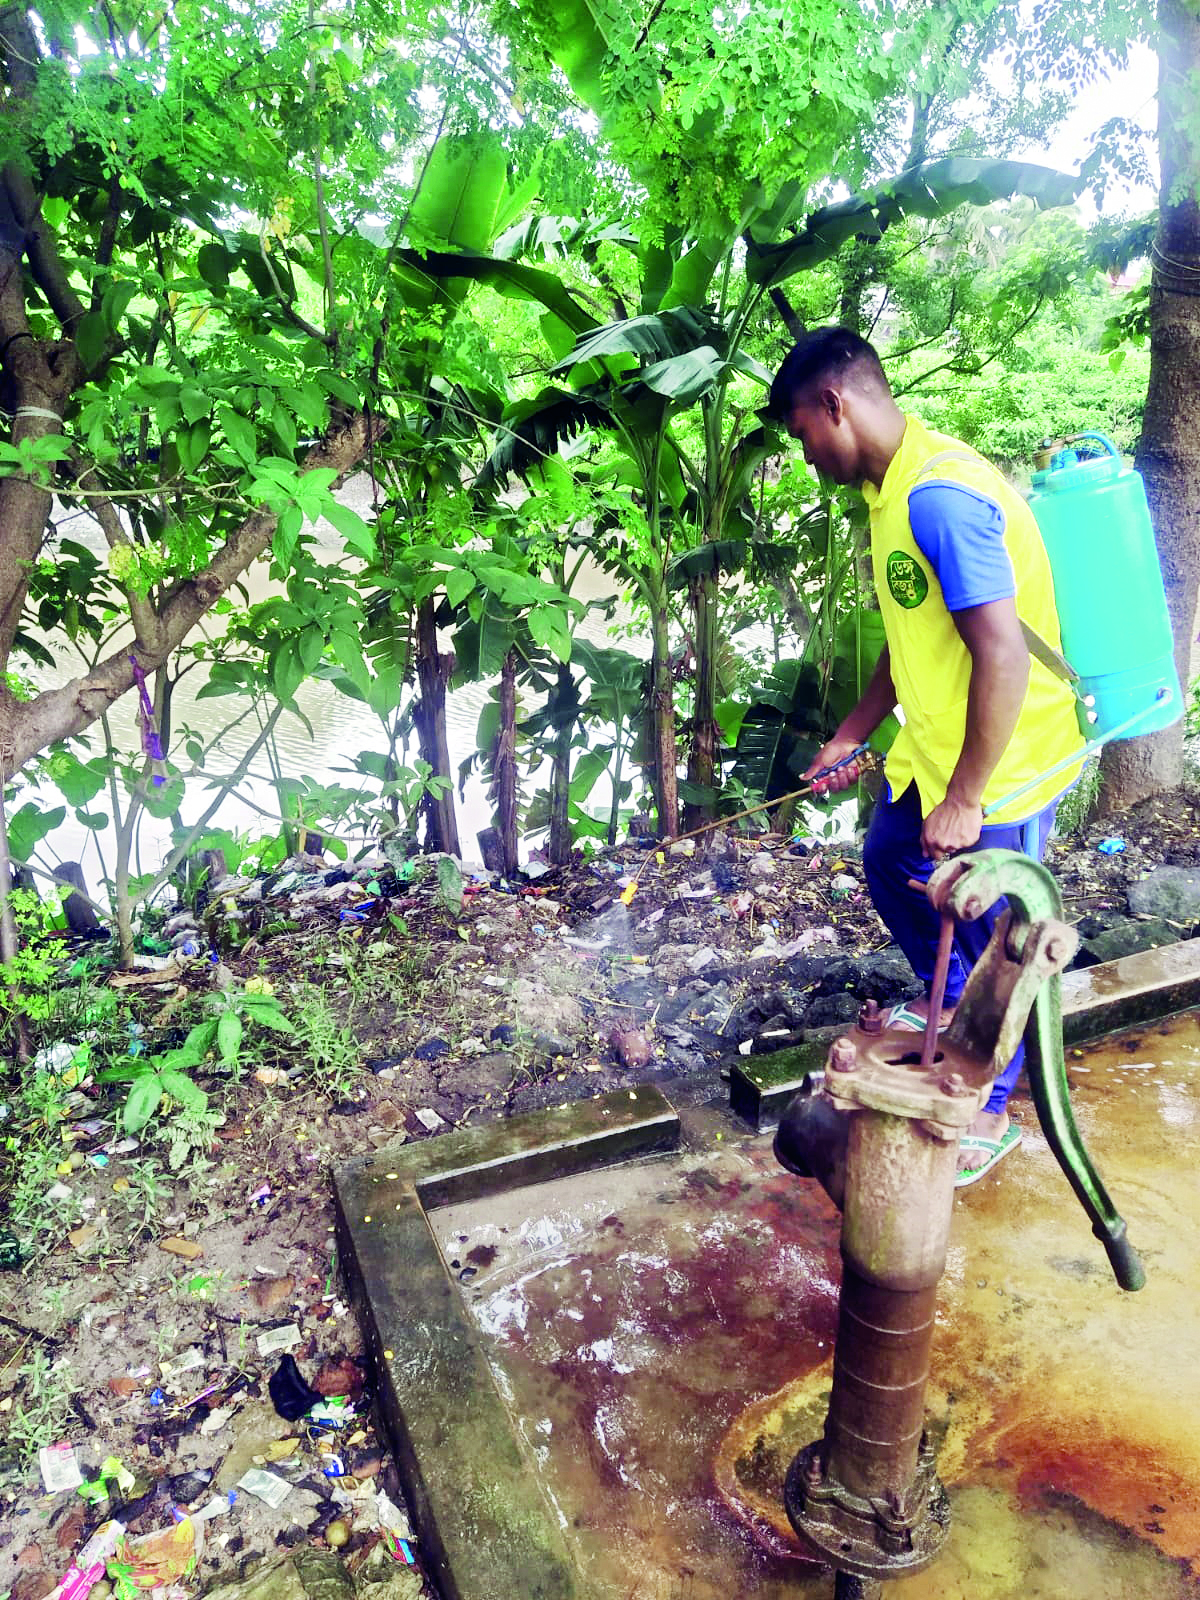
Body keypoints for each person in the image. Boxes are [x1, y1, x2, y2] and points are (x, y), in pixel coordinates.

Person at [768, 327, 1084, 1186]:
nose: (805, 454)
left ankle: (985, 1108)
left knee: (998, 938)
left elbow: (1002, 653)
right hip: (934, 747)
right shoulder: (889, 490)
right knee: (888, 858)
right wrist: (852, 732)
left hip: (1004, 758)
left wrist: (968, 796)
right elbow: (910, 633)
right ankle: (945, 1002)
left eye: (802, 434)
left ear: (835, 404)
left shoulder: (940, 496)